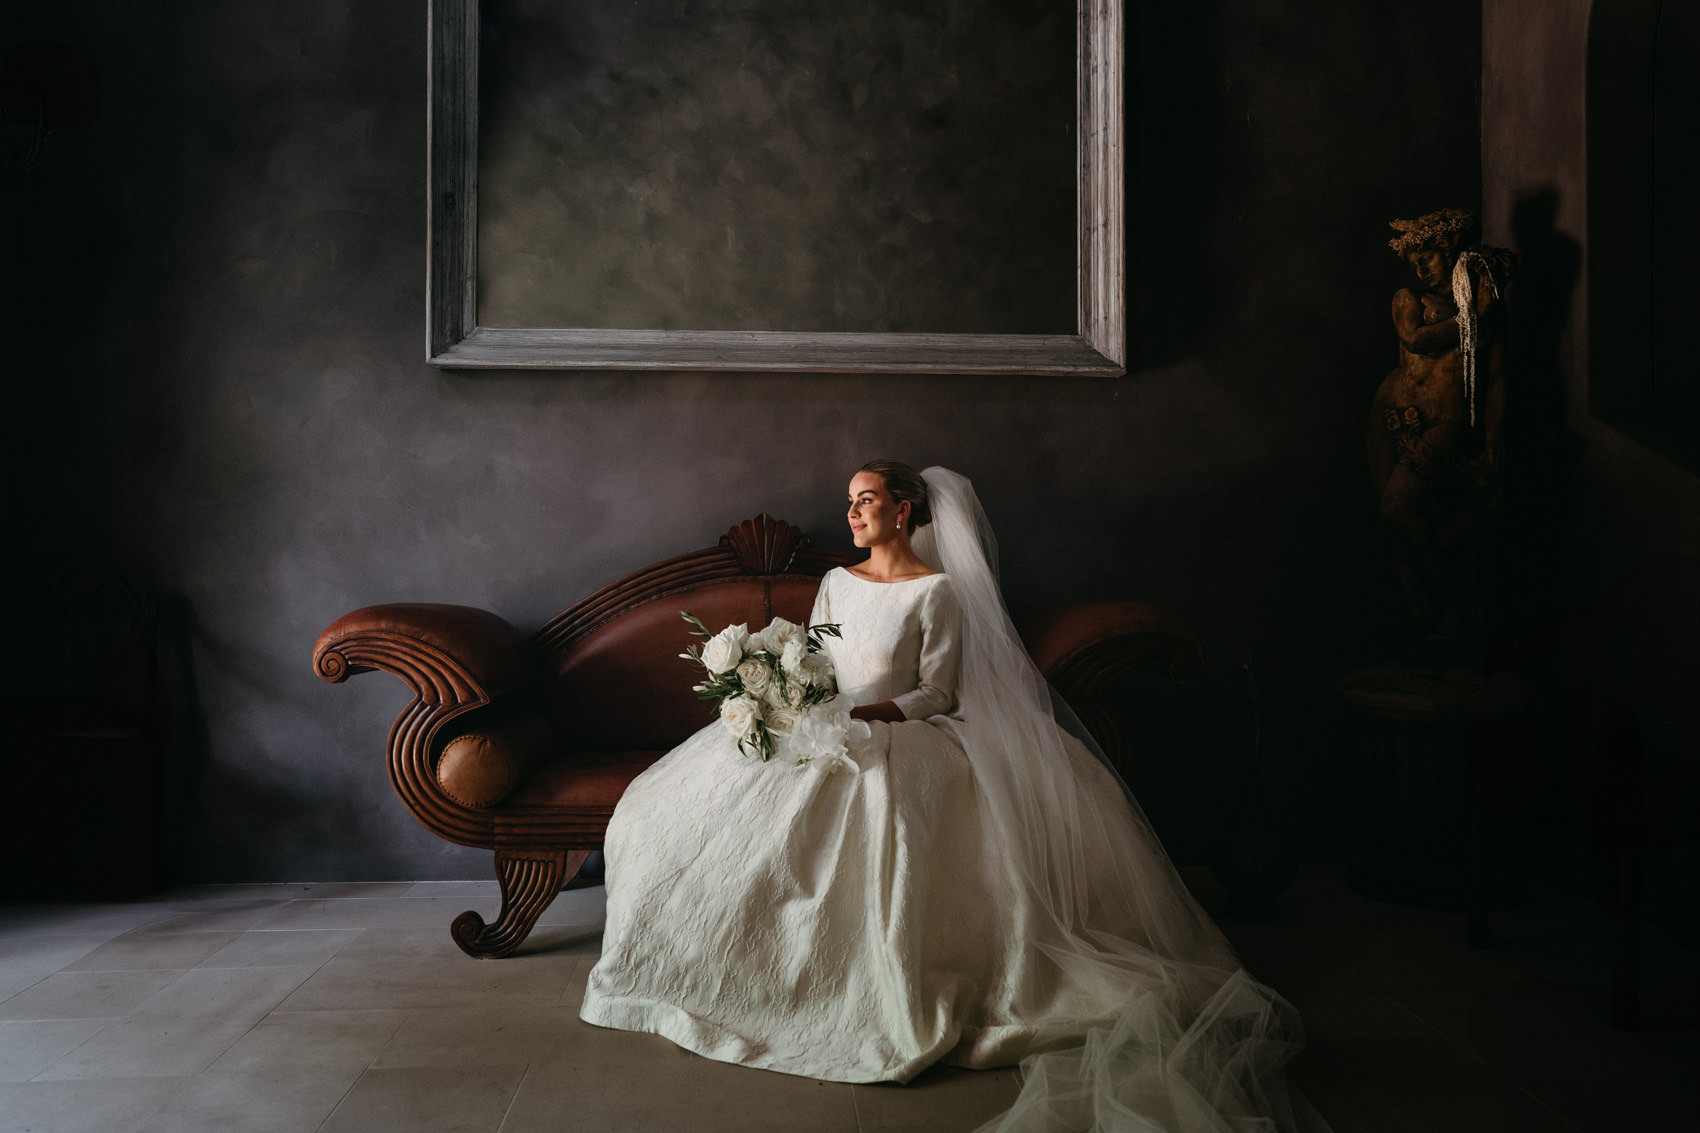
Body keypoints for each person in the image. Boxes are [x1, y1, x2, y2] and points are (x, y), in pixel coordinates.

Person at [581, 462, 1307, 1131]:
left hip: (900, 730)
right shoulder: (837, 580)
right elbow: (815, 656)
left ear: (903, 510)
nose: (854, 512)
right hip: (823, 724)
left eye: (866, 500)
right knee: (679, 807)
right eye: (850, 502)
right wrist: (794, 698)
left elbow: (939, 690)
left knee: (885, 806)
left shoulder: (938, 591)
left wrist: (867, 717)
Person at [1372, 209, 1515, 661]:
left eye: (1428, 255)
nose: (1420, 267)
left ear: (1450, 250)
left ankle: (1454, 611)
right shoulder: (1409, 299)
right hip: (1391, 419)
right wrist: (1476, 323)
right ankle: (1430, 628)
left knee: (1401, 510)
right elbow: (1415, 339)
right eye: (1413, 259)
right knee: (1398, 526)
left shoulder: (1481, 305)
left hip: (1448, 426)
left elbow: (1495, 380)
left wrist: (1493, 438)